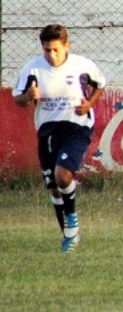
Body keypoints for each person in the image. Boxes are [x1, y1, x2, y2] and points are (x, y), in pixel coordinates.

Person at [12, 24, 106, 252]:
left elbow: (100, 85)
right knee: (54, 188)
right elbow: (18, 99)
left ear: (66, 46)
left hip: (76, 126)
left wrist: (89, 104)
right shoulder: (33, 69)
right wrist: (28, 96)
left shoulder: (82, 65)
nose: (52, 55)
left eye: (56, 49)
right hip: (48, 130)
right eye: (47, 50)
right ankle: (68, 236)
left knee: (63, 176)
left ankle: (72, 222)